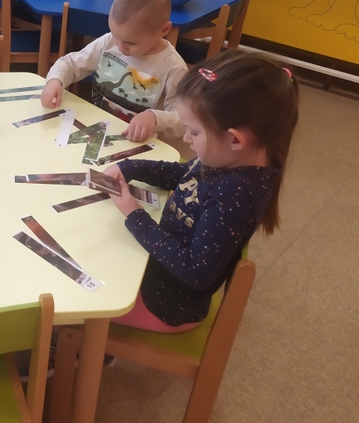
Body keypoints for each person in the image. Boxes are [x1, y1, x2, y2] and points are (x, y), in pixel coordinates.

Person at [103, 51, 299, 332]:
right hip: (154, 272)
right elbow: (183, 174)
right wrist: (130, 167)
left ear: (235, 139)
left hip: (164, 304)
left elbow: (194, 271)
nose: (186, 139)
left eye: (193, 132)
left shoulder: (234, 196)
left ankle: (75, 344)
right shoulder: (228, 158)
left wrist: (135, 215)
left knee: (75, 300)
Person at [40, 0, 187, 142]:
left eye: (131, 43)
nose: (121, 47)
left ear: (164, 30)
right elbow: (70, 64)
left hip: (136, 146)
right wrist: (55, 80)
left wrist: (155, 118)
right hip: (95, 132)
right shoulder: (109, 42)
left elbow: (183, 120)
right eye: (116, 35)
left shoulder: (173, 67)